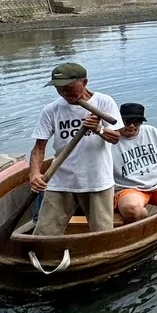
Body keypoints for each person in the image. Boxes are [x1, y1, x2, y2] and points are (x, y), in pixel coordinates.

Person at [30, 63, 122, 235]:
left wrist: (98, 129)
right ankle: (44, 258)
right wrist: (34, 173)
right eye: (59, 88)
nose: (64, 93)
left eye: (68, 87)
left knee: (102, 235)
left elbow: (116, 138)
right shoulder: (51, 110)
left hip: (96, 181)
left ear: (84, 82)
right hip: (61, 180)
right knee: (44, 233)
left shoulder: (104, 102)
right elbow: (38, 148)